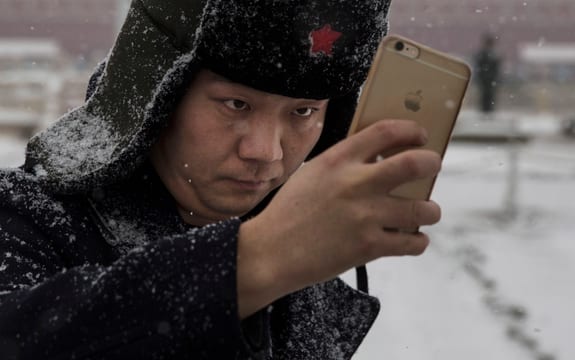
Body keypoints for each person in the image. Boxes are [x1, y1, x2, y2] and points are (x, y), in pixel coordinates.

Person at [0, 0, 442, 359]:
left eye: (303, 112)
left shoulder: (306, 270)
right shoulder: (24, 219)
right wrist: (254, 263)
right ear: (158, 96)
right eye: (235, 104)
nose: (266, 152)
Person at [473, 33, 501, 114]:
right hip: (487, 80)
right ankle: (486, 110)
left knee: (488, 96)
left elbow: (496, 68)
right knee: (487, 96)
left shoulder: (490, 55)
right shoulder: (488, 54)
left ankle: (487, 110)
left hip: (488, 79)